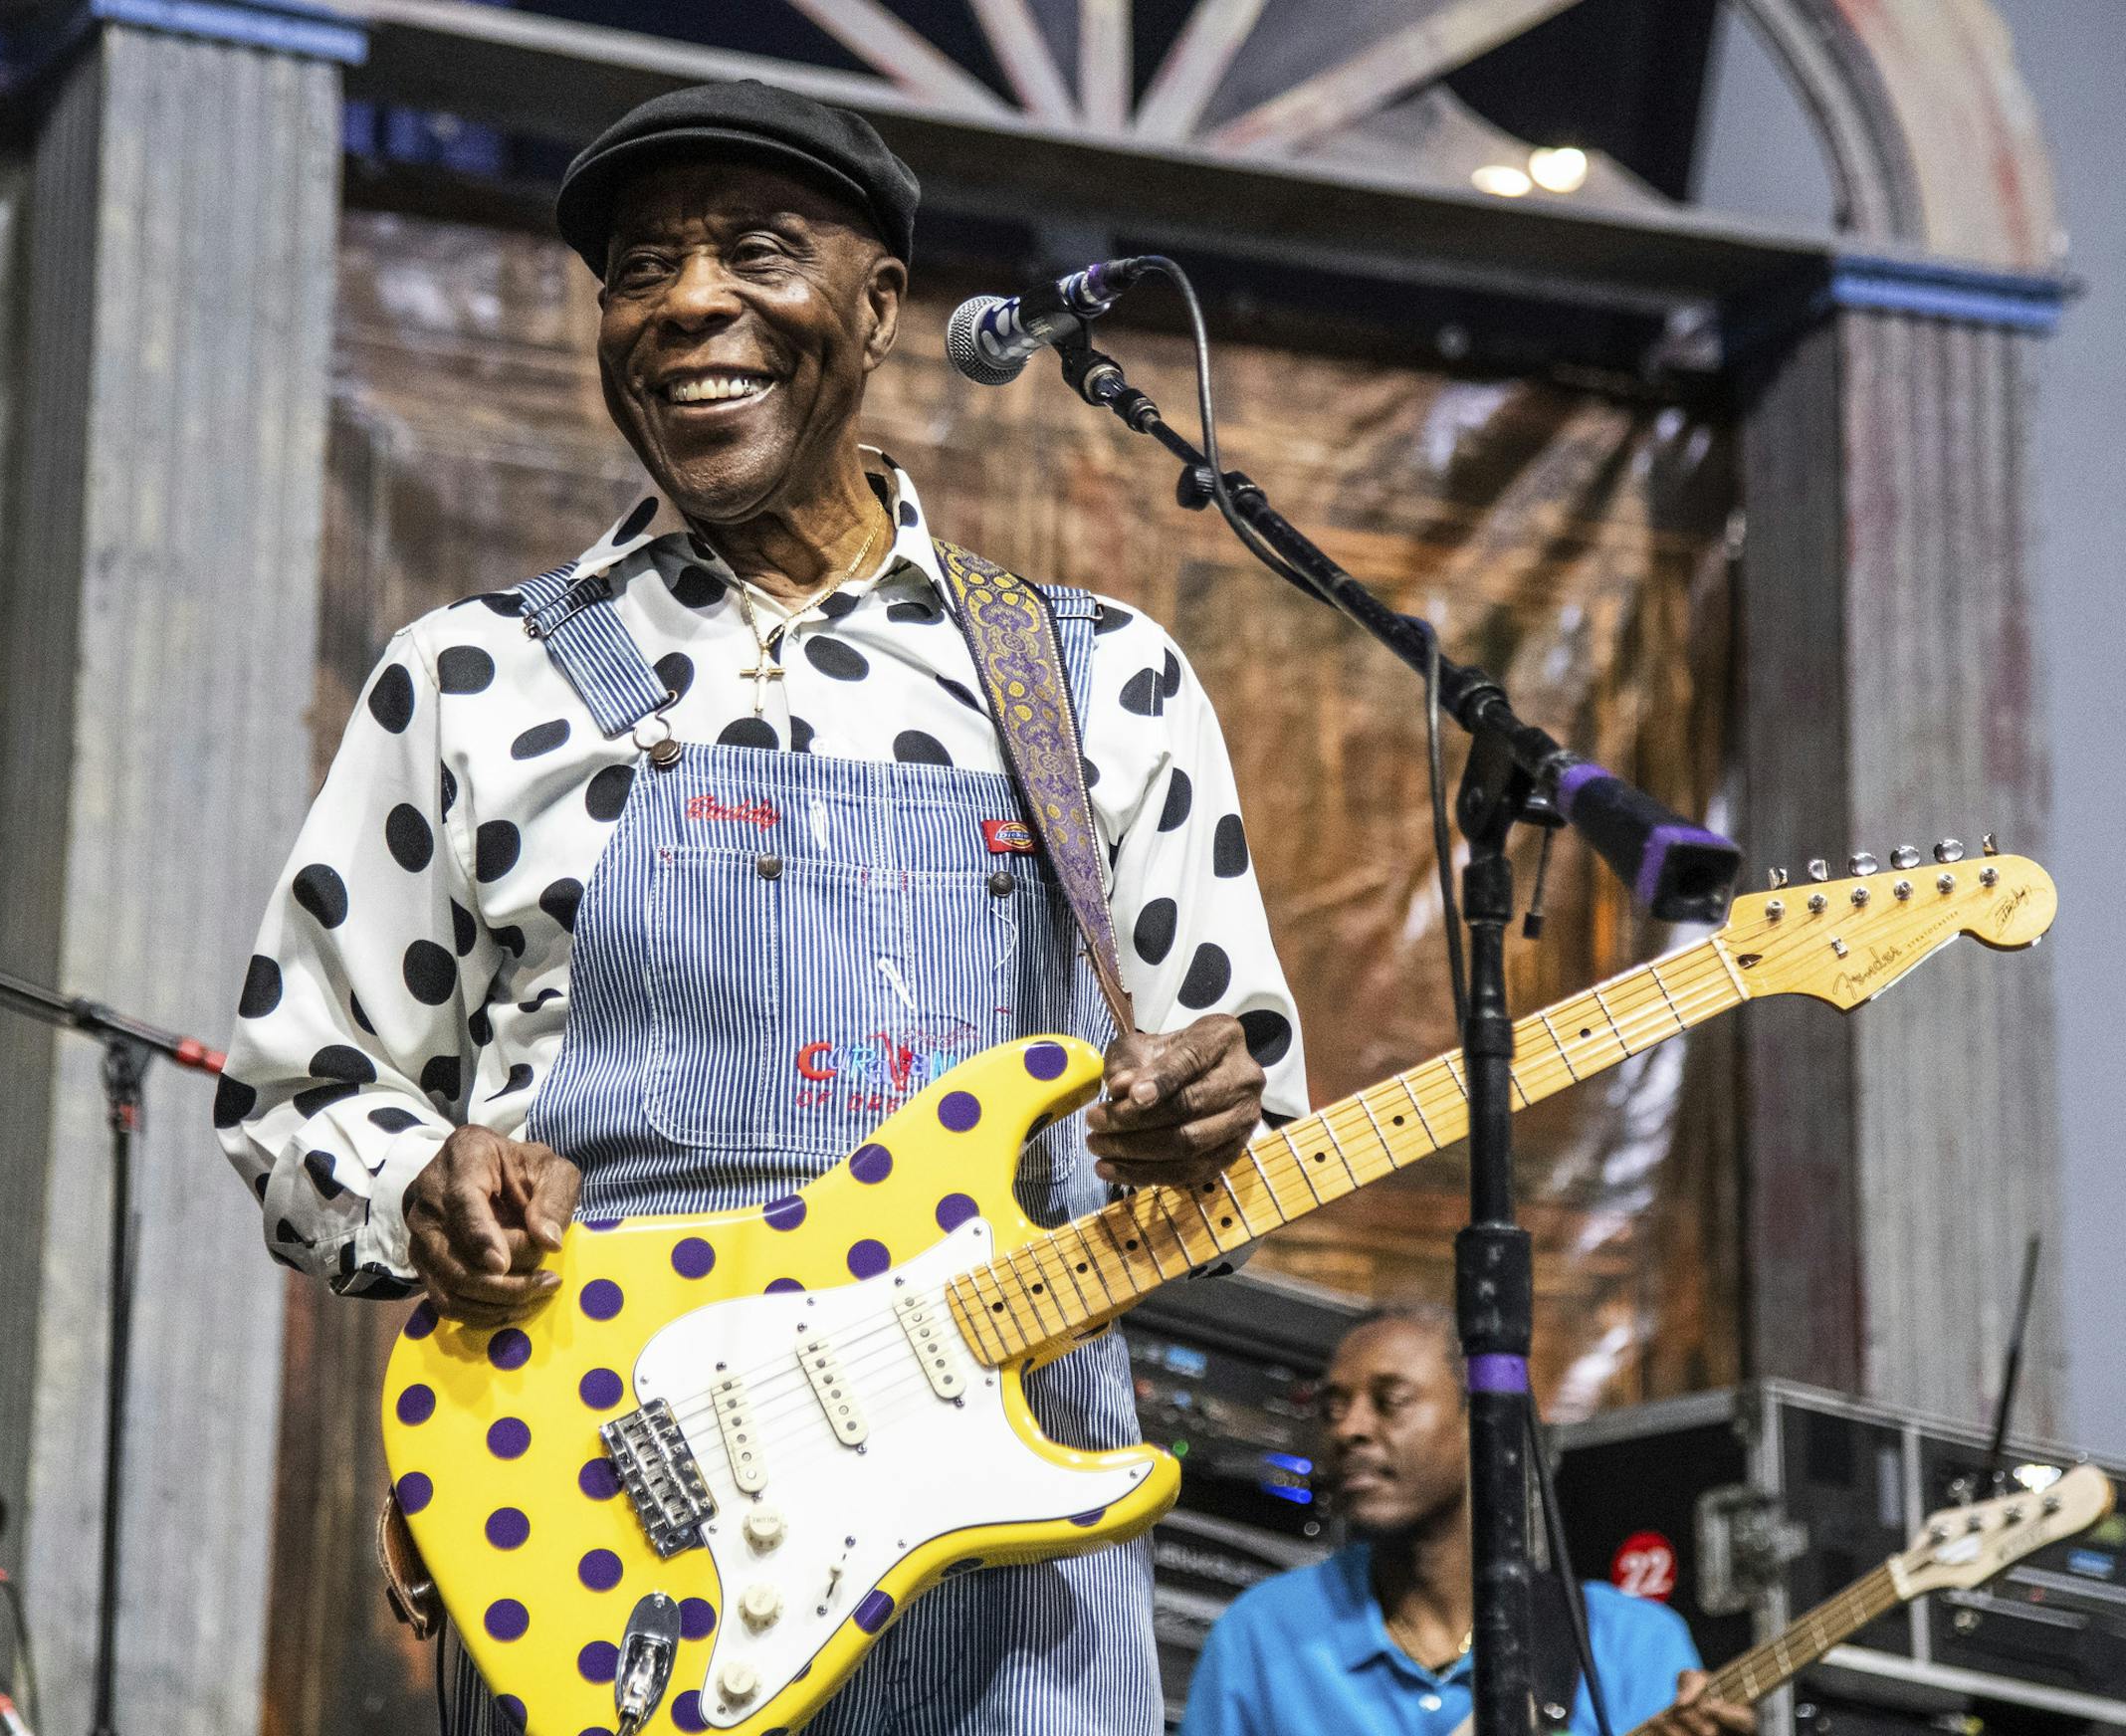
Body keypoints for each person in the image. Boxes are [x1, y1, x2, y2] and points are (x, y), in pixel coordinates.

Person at [215, 80, 1306, 1736]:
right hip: (612, 1538)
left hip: (1000, 1535)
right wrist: (420, 1178)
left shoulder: (1099, 684)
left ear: (878, 309)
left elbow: (1248, 1114)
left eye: (755, 251)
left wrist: (1205, 1122)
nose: (688, 304)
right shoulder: (470, 678)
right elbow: (303, 1082)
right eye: (642, 267)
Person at [1182, 1306, 1758, 1736]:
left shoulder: (1631, 1645)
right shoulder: (1260, 1635)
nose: (1349, 1428)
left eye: (1391, 1400)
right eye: (1333, 1407)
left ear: (1481, 1426)